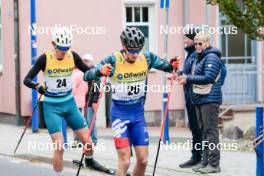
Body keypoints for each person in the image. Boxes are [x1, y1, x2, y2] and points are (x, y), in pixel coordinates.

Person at [84, 26, 181, 176]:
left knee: (143, 161)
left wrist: (174, 65)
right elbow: (87, 75)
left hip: (138, 114)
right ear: (123, 46)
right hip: (120, 115)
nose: (135, 54)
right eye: (131, 50)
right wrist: (99, 71)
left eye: (138, 50)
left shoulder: (146, 57)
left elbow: (169, 68)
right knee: (125, 161)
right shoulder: (113, 59)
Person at [23, 27, 113, 176]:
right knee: (59, 146)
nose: (64, 52)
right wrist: (37, 86)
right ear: (54, 44)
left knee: (88, 142)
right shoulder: (45, 58)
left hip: (69, 104)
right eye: (61, 48)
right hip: (51, 106)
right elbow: (27, 80)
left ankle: (89, 161)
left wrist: (99, 71)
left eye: (67, 48)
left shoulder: (73, 56)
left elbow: (88, 72)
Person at [177, 32, 226, 174]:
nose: (197, 46)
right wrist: (182, 76)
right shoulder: (200, 56)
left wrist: (188, 79)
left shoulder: (211, 57)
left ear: (207, 43)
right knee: (204, 132)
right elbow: (193, 74)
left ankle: (214, 164)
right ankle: (205, 162)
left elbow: (209, 77)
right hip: (200, 98)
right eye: (196, 43)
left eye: (200, 43)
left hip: (210, 99)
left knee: (211, 132)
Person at [178, 27, 203, 168]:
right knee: (194, 127)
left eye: (187, 38)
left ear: (193, 40)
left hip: (195, 97)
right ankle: (196, 156)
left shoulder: (196, 54)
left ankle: (199, 157)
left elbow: (196, 75)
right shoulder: (190, 54)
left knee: (198, 128)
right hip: (189, 96)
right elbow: (188, 73)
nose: (184, 40)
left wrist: (186, 77)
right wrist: (178, 73)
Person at [72, 56, 89, 147]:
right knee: (80, 122)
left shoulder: (74, 75)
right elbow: (86, 89)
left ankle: (76, 142)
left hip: (74, 102)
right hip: (81, 102)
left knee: (75, 123)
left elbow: (72, 89)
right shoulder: (83, 74)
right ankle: (80, 141)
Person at [83, 54, 99, 145]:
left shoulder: (94, 72)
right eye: (84, 61)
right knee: (87, 121)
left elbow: (97, 87)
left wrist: (94, 101)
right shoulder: (86, 71)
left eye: (87, 61)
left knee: (90, 121)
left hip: (91, 100)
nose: (85, 62)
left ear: (91, 62)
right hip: (86, 100)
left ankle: (94, 140)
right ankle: (89, 139)